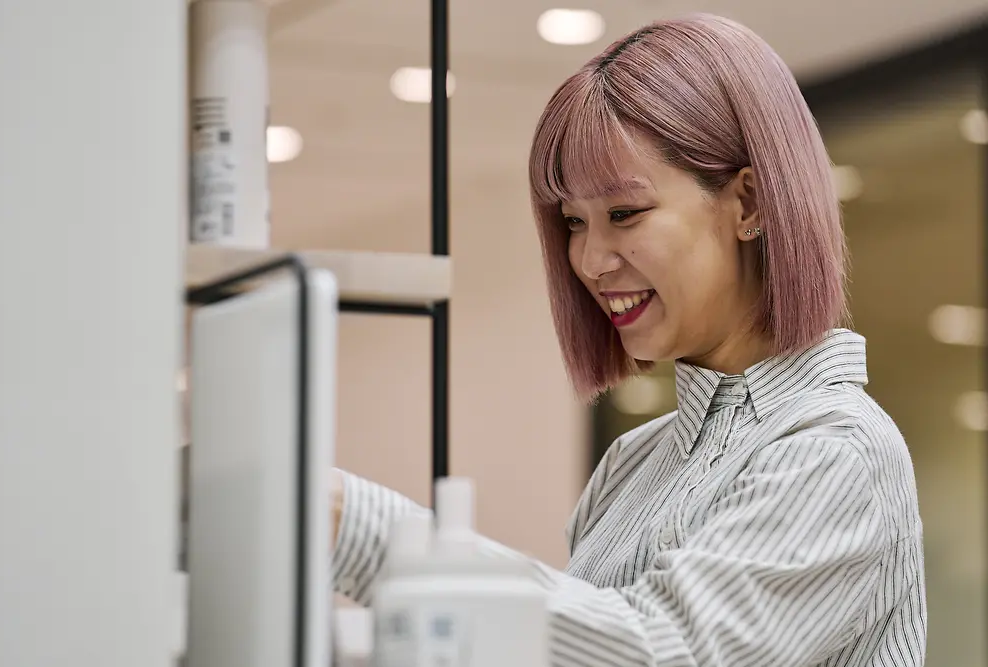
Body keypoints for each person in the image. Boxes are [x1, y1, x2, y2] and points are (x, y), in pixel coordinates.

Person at [331, 13, 926, 667]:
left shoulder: (837, 451)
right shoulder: (633, 462)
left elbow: (661, 650)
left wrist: (363, 527)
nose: (589, 259)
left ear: (750, 203)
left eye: (623, 213)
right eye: (573, 222)